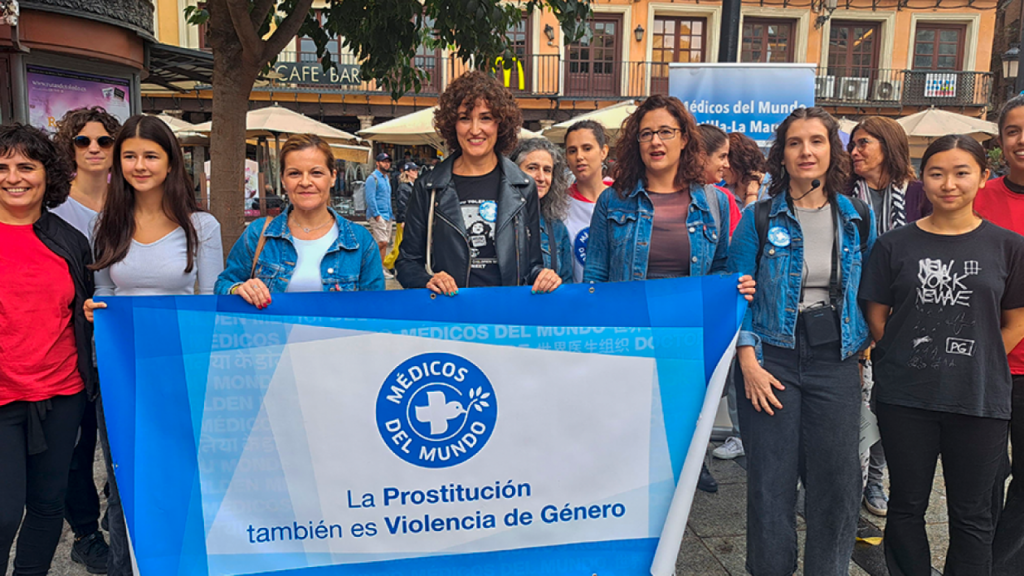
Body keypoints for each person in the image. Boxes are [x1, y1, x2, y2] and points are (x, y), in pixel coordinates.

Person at [859, 134, 1024, 576]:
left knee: (972, 514)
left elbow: (1016, 321)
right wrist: (914, 352)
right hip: (906, 396)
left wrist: (978, 357)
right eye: (936, 173)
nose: (948, 183)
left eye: (961, 172)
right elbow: (877, 316)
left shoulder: (1008, 247)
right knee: (907, 506)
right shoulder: (894, 244)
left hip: (979, 398)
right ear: (922, 179)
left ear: (982, 177)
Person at [727, 107, 876, 576]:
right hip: (772, 357)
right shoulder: (759, 216)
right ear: (782, 153)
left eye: (816, 141)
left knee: (837, 482)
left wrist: (864, 349)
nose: (806, 151)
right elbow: (735, 290)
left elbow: (871, 290)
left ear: (832, 150)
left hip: (836, 360)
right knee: (770, 481)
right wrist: (748, 358)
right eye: (795, 142)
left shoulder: (857, 218)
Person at [582, 94, 756, 494]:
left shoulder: (712, 200)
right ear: (635, 143)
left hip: (685, 336)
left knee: (680, 426)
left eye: (665, 132)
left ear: (684, 139)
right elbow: (595, 273)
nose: (655, 142)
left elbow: (720, 269)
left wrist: (736, 285)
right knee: (628, 431)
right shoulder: (613, 200)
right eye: (646, 134)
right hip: (629, 335)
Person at [82, 115, 223, 576]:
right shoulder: (106, 224)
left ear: (169, 163)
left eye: (150, 156)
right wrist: (93, 310)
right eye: (129, 156)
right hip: (122, 374)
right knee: (126, 481)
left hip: (181, 372)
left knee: (182, 474)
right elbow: (104, 295)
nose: (139, 166)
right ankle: (128, 567)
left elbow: (210, 304)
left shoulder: (201, 227)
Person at [0, 123, 94, 576]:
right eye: (1, 167)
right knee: (1, 514)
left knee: (47, 506)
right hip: (1, 398)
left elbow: (82, 309)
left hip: (61, 395)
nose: (13, 177)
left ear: (46, 175)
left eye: (25, 166)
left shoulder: (69, 241)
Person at [395, 70, 560, 295]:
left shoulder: (523, 187)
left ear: (500, 123)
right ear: (452, 124)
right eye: (464, 118)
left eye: (485, 118)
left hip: (505, 318)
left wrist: (543, 276)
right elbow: (406, 263)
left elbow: (531, 266)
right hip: (450, 319)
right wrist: (428, 280)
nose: (474, 130)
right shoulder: (428, 186)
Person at [844, 115, 927, 519]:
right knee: (858, 400)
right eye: (853, 145)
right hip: (854, 310)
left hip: (906, 313)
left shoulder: (918, 194)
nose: (855, 152)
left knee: (889, 401)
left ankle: (876, 476)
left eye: (864, 144)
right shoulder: (843, 193)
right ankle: (851, 477)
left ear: (888, 145)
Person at [50, 106, 120, 573]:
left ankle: (122, 517)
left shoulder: (132, 202)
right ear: (69, 147)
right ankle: (86, 532)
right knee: (79, 445)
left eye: (103, 140)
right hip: (71, 348)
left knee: (124, 438)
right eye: (82, 141)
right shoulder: (51, 211)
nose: (94, 148)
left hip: (123, 346)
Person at [216, 134, 384, 302]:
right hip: (272, 329)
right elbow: (223, 285)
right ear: (283, 179)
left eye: (316, 173)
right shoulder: (259, 233)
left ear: (332, 177)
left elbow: (376, 307)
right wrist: (239, 289)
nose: (305, 182)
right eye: (295, 173)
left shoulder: (360, 241)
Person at [970, 95, 1024, 576]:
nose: (1022, 140)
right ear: (1000, 142)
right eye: (1013, 130)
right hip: (985, 366)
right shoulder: (977, 199)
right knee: (980, 478)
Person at [511, 138, 573, 283]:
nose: (541, 178)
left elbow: (566, 283)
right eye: (532, 168)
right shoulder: (496, 219)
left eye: (547, 170)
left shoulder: (556, 227)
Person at [564, 120, 613, 283]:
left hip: (619, 296)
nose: (579, 157)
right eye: (572, 151)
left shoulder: (625, 199)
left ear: (603, 151)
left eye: (587, 148)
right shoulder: (558, 204)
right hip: (576, 300)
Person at [696, 124, 743, 237]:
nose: (727, 165)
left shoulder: (722, 198)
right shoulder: (669, 195)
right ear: (702, 157)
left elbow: (736, 246)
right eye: (722, 157)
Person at [383, 161, 418, 272]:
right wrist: (403, 219)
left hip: (410, 219)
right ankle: (388, 262)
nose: (416, 172)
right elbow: (402, 205)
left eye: (416, 170)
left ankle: (392, 263)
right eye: (413, 170)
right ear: (407, 172)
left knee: (405, 243)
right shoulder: (404, 187)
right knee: (400, 243)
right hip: (403, 220)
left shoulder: (412, 186)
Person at [365, 152, 393, 277]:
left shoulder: (386, 178)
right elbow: (370, 198)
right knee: (382, 242)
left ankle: (379, 269)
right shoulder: (373, 178)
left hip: (387, 215)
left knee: (385, 243)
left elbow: (387, 198)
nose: (386, 164)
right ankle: (367, 261)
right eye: (384, 161)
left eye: (388, 162)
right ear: (377, 163)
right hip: (378, 215)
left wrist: (391, 214)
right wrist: (376, 215)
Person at [723, 132, 766, 207]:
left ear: (736, 161)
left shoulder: (770, 187)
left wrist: (752, 194)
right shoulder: (723, 193)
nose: (722, 166)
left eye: (724, 159)